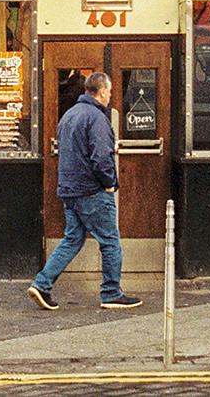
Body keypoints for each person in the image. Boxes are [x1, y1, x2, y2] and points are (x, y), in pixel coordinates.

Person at [28, 71, 142, 310]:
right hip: (92, 190)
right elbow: (100, 157)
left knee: (72, 239)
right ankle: (111, 293)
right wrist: (109, 182)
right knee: (110, 242)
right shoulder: (97, 118)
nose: (110, 96)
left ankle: (42, 284)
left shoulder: (69, 115)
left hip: (69, 190)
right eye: (109, 91)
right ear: (102, 92)